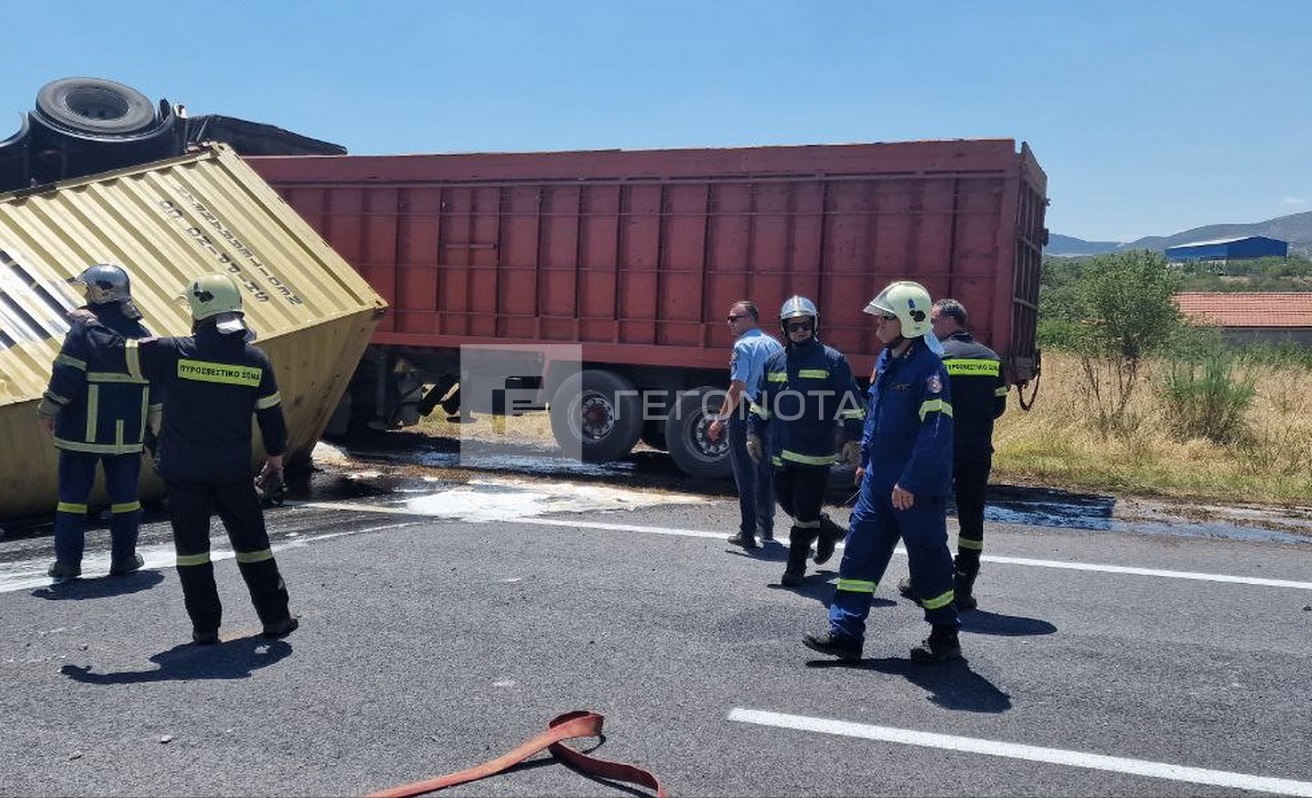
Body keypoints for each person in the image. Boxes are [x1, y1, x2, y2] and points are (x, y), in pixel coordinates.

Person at [78, 273, 298, 644]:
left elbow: (113, 350)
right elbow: (272, 422)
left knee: (193, 552)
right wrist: (275, 462)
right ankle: (275, 618)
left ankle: (205, 628)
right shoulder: (255, 360)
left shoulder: (171, 352)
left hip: (182, 472)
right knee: (253, 545)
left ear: (197, 311)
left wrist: (92, 322)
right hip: (231, 472)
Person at [803, 280, 961, 663]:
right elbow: (876, 419)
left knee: (929, 563)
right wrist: (866, 463)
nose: (876, 327)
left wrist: (912, 480)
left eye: (883, 320)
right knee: (859, 555)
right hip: (878, 484)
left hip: (914, 489)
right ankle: (845, 634)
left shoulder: (929, 369)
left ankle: (944, 637)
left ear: (909, 321)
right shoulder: (887, 362)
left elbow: (935, 433)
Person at [37, 263, 158, 581]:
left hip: (81, 432)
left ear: (101, 292)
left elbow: (66, 373)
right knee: (125, 498)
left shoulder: (85, 329)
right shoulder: (142, 334)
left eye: (88, 289)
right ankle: (124, 558)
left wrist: (48, 409)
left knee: (73, 499)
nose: (84, 295)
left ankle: (68, 563)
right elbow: (156, 387)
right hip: (127, 434)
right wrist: (154, 423)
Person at [899, 298, 1007, 610]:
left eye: (933, 321)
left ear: (949, 321)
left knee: (928, 514)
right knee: (972, 516)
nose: (929, 328)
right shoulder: (991, 358)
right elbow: (998, 407)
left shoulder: (936, 356)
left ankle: (925, 582)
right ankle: (964, 585)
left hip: (940, 450)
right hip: (977, 449)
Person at [748, 296, 864, 587]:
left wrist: (852, 438)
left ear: (814, 325)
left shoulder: (832, 360)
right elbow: (761, 403)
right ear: (784, 328)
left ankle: (795, 568)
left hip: (816, 453)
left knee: (804, 515)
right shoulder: (774, 362)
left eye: (805, 324)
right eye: (794, 325)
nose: (800, 330)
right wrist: (753, 432)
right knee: (789, 503)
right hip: (781, 453)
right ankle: (826, 530)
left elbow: (852, 402)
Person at [707, 301, 783, 549]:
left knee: (745, 473)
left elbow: (737, 387)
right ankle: (767, 527)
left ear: (750, 318)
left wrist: (720, 420)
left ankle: (747, 532)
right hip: (770, 413)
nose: (730, 323)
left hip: (746, 413)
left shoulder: (743, 346)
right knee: (765, 471)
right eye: (729, 318)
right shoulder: (774, 344)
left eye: (734, 318)